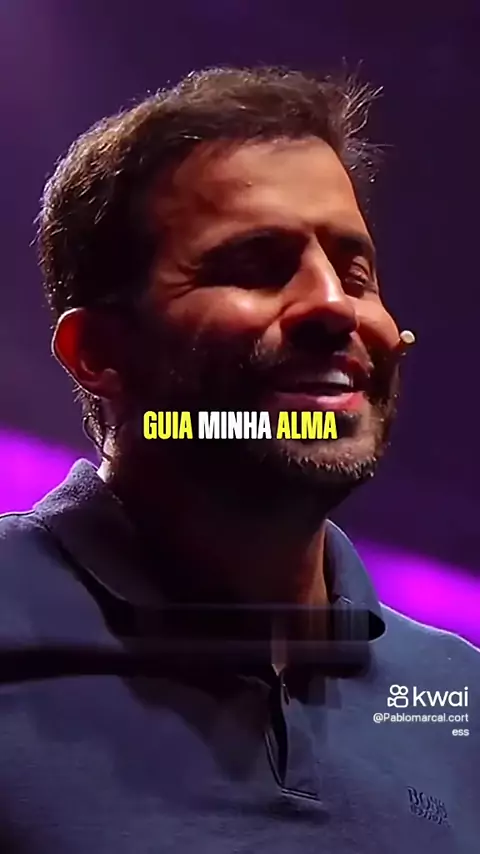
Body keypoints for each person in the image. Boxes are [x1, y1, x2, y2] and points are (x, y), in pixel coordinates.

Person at [0, 67, 478, 854]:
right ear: (99, 353)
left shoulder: (458, 697)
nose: (334, 306)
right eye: (255, 266)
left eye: (356, 274)